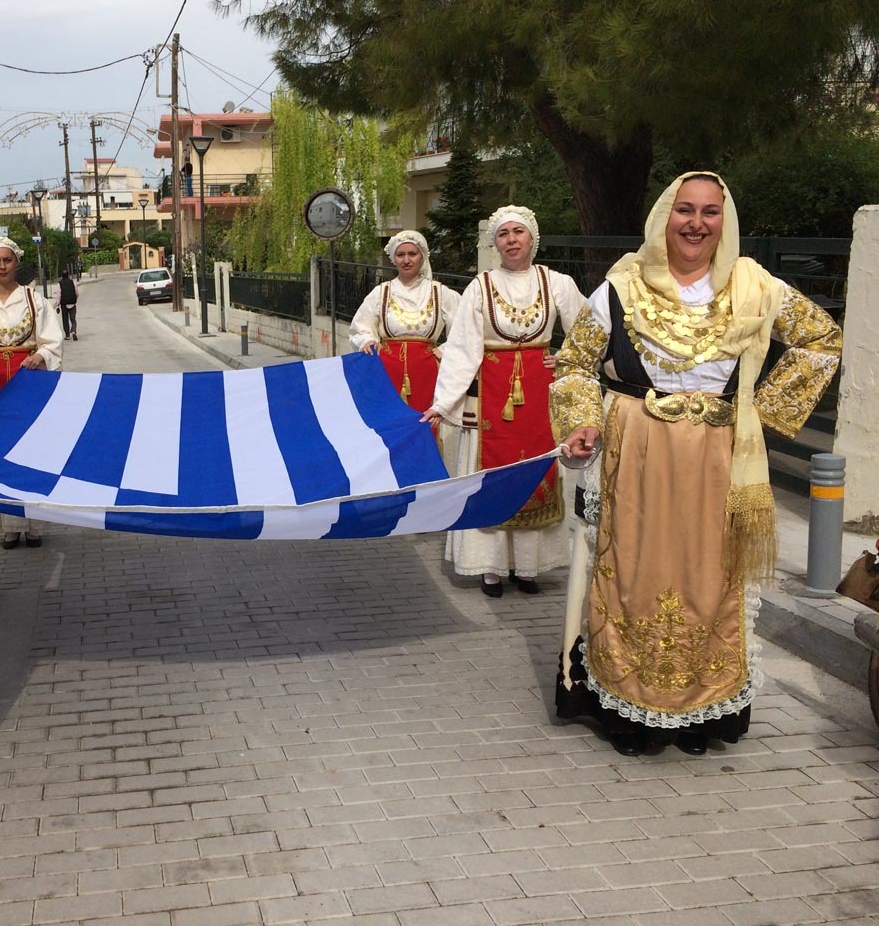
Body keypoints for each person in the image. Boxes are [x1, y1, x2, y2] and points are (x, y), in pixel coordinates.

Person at [550, 172, 841, 757]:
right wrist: (582, 420)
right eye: (685, 209)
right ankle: (630, 714)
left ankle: (699, 712)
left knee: (711, 576)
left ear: (724, 221)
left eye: (710, 211)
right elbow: (575, 362)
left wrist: (762, 413)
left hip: (719, 455)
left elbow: (821, 339)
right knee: (631, 572)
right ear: (665, 216)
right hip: (636, 449)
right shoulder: (621, 289)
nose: (696, 223)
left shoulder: (755, 286)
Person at [423, 206, 585, 597]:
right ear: (495, 243)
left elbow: (589, 329)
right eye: (503, 234)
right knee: (491, 475)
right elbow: (462, 349)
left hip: (539, 394)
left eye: (518, 232)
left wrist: (567, 356)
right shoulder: (480, 287)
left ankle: (528, 568)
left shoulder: (557, 283)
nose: (511, 240)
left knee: (536, 470)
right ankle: (491, 569)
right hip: (491, 396)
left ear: (532, 238)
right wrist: (443, 403)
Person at [0, 235, 63, 549]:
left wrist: (42, 355)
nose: (2, 266)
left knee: (32, 450)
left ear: (16, 262)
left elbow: (53, 340)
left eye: (7, 260)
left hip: (29, 381)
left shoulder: (34, 299)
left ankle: (34, 524)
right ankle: (8, 526)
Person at [349, 230, 461, 421]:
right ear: (394, 258)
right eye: (400, 255)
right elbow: (361, 325)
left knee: (423, 423)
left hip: (427, 371)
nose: (406, 260)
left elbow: (463, 328)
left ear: (422, 257)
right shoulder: (381, 293)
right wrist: (367, 340)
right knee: (388, 423)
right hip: (387, 370)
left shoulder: (440, 292)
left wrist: (446, 349)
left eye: (412, 254)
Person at [58, 268, 78, 340]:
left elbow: (59, 295)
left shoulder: (59, 284)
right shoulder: (73, 282)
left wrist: (58, 304)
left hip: (64, 304)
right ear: (68, 275)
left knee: (65, 320)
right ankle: (74, 331)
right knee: (73, 319)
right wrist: (75, 299)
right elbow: (77, 293)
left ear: (62, 275)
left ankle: (67, 335)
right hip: (72, 303)